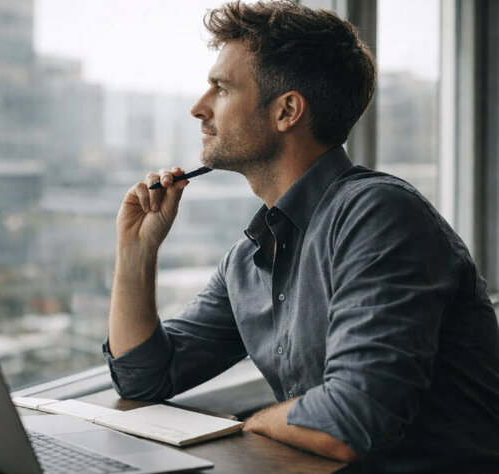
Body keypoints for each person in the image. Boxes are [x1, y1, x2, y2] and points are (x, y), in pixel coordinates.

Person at [102, 0, 499, 470]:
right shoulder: (251, 256)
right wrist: (136, 251)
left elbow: (351, 420)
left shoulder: (378, 215)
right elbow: (143, 378)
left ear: (287, 110)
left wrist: (253, 420)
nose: (198, 107)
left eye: (221, 89)